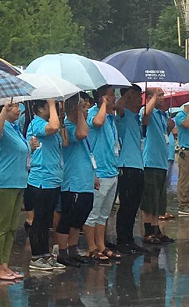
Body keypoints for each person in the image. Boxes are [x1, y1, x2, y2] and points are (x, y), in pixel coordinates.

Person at [0, 102, 30, 280]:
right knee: (1, 226)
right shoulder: (0, 125)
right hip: (4, 182)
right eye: (14, 106)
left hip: (18, 182)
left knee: (12, 227)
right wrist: (4, 110)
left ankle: (4, 263)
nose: (18, 109)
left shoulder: (15, 128)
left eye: (18, 106)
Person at [25, 99, 66, 271]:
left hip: (54, 179)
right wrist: (51, 103)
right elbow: (53, 128)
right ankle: (37, 256)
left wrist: (59, 114)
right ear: (40, 108)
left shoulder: (50, 124)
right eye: (49, 106)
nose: (53, 108)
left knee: (46, 220)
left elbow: (64, 140)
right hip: (41, 179)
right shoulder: (36, 124)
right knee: (39, 219)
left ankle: (45, 254)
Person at [56, 95, 96, 267]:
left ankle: (73, 248)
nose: (87, 111)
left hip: (85, 180)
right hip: (73, 182)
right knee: (68, 217)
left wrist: (94, 175)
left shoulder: (80, 125)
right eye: (84, 107)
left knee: (79, 217)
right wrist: (79, 112)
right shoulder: (68, 127)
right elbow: (82, 133)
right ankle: (63, 251)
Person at [84, 86, 121, 262]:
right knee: (93, 212)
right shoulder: (93, 113)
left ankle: (101, 245)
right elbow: (97, 123)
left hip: (112, 170)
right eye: (111, 94)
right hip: (99, 171)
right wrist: (103, 104)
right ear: (101, 97)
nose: (114, 98)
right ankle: (91, 247)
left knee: (104, 213)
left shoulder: (110, 117)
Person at [114, 85, 147, 254]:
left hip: (138, 165)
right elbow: (118, 106)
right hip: (127, 166)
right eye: (138, 95)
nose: (141, 98)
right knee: (126, 205)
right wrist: (127, 92)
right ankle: (122, 239)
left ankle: (129, 238)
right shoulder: (123, 114)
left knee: (134, 205)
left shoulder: (136, 117)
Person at [140, 89, 175, 244]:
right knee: (149, 198)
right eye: (159, 95)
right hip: (151, 162)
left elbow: (165, 134)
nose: (163, 97)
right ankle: (148, 231)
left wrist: (169, 127)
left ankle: (156, 229)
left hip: (162, 162)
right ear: (149, 97)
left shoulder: (163, 115)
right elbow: (145, 116)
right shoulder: (148, 111)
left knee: (158, 199)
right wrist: (152, 99)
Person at [176, 105, 189, 216]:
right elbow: (186, 124)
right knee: (184, 179)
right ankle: (183, 205)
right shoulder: (180, 115)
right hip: (186, 151)